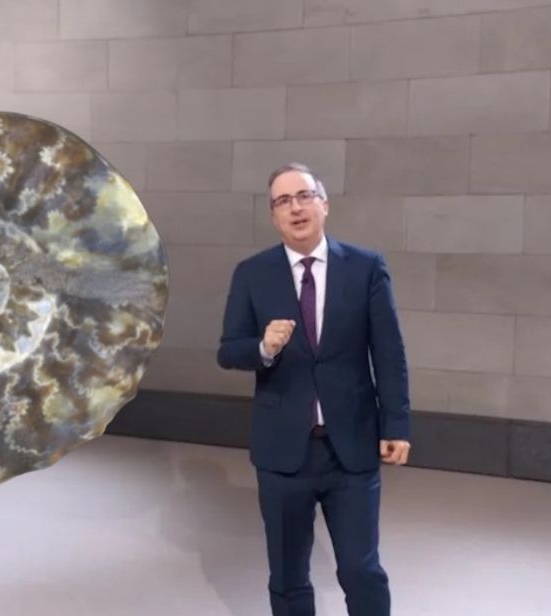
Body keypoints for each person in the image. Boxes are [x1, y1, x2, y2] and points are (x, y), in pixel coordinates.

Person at [217, 162, 411, 616]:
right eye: (283, 201)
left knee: (361, 571)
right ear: (273, 217)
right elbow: (228, 351)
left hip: (352, 450)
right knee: (288, 577)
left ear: (324, 204)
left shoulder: (365, 267)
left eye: (304, 196)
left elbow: (389, 353)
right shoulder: (252, 273)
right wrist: (263, 348)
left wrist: (397, 424)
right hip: (283, 453)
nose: (295, 207)